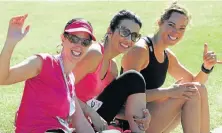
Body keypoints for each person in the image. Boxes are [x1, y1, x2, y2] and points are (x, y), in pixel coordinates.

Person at [0, 14, 121, 133]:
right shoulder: (44, 62)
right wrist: (10, 42)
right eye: (74, 39)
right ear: (63, 38)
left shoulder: (70, 79)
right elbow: (3, 78)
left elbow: (81, 123)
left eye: (85, 42)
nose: (79, 45)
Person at [121, 2, 222, 133]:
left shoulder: (167, 55)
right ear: (160, 22)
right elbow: (127, 95)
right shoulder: (141, 51)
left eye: (182, 28)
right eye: (171, 25)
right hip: (132, 122)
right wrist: (169, 92)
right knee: (190, 94)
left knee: (199, 89)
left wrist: (206, 67)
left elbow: (195, 83)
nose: (176, 32)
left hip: (151, 117)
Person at [73, 10, 150, 133]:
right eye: (125, 32)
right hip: (67, 121)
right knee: (133, 77)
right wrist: (91, 113)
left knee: (134, 79)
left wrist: (139, 117)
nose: (129, 39)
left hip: (90, 123)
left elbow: (107, 106)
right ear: (110, 30)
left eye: (134, 36)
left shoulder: (112, 68)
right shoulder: (95, 54)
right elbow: (62, 89)